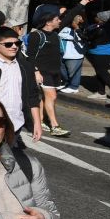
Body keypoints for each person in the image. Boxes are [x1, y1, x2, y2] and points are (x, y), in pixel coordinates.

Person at [26, 8, 75, 138]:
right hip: (43, 72)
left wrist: (84, 2)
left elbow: (70, 15)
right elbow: (30, 56)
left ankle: (41, 120)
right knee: (52, 96)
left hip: (54, 72)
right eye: (56, 19)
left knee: (44, 97)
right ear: (48, 22)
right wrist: (36, 71)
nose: (59, 21)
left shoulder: (55, 34)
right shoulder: (36, 35)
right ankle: (54, 126)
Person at [82, 10, 110, 105]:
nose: (95, 18)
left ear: (102, 19)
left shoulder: (102, 29)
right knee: (99, 72)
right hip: (105, 52)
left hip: (101, 53)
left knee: (102, 72)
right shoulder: (109, 27)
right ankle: (101, 92)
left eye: (97, 16)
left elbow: (88, 38)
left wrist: (77, 29)